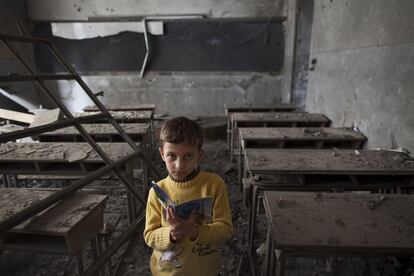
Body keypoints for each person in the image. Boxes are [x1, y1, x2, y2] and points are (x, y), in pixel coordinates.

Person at [144, 116, 233, 276]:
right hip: (166, 272)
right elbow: (150, 236)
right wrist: (172, 234)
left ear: (199, 155)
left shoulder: (214, 185)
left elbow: (225, 230)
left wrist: (194, 231)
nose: (179, 165)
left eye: (188, 156)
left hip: (204, 270)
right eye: (172, 156)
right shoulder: (157, 192)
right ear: (162, 154)